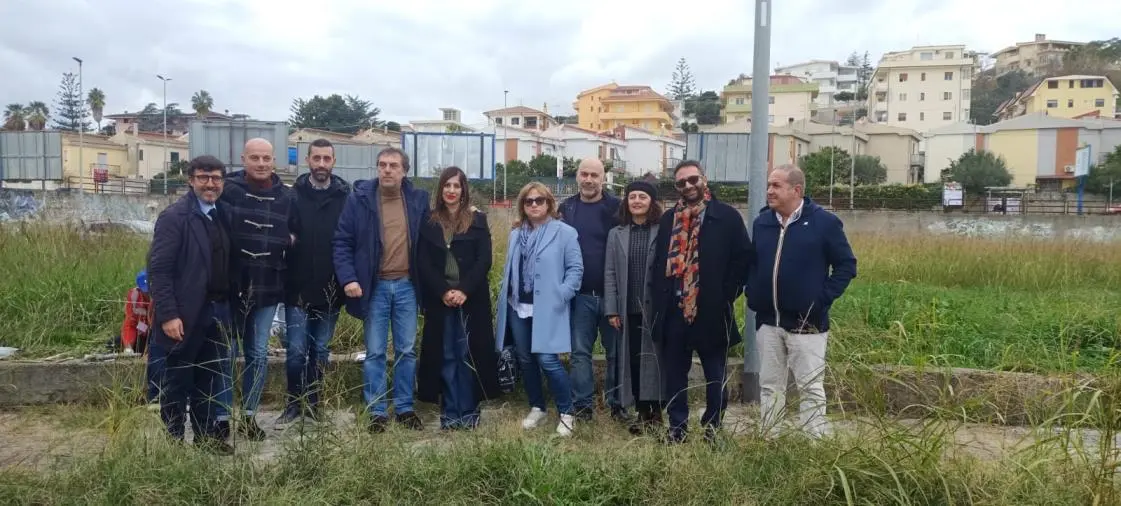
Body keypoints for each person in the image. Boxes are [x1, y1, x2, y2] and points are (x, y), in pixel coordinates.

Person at [747, 164, 857, 439]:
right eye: (769, 185)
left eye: (776, 186)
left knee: (810, 385)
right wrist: (753, 292)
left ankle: (815, 442)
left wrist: (820, 301)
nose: (769, 191)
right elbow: (753, 263)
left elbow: (846, 265)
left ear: (796, 190)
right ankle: (770, 437)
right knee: (770, 384)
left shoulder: (824, 223)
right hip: (768, 321)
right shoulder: (762, 222)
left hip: (808, 323)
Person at [650, 160, 752, 444]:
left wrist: (726, 294)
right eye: (681, 183)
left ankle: (713, 428)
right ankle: (677, 428)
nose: (688, 186)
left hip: (710, 309)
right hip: (674, 309)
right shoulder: (670, 219)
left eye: (692, 179)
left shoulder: (727, 216)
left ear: (704, 179)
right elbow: (660, 261)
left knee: (715, 374)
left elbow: (743, 258)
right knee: (674, 375)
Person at [334, 147, 430, 433]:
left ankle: (404, 408)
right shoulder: (359, 200)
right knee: (375, 351)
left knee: (406, 350)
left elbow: (434, 234)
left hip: (406, 287)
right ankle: (377, 410)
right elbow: (342, 242)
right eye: (382, 165)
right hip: (373, 286)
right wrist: (349, 278)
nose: (387, 170)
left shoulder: (417, 200)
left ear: (404, 171)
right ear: (377, 168)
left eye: (393, 166)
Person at [146, 155, 235, 455]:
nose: (210, 184)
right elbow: (159, 270)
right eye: (203, 177)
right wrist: (169, 315)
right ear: (190, 180)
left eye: (216, 178)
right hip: (185, 315)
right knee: (178, 381)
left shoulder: (221, 214)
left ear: (223, 182)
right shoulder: (175, 218)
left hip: (217, 311)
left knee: (208, 380)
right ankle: (173, 443)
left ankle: (206, 438)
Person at [219, 137, 297, 441]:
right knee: (227, 353)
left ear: (274, 161)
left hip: (268, 286)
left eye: (266, 158)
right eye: (255, 158)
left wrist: (289, 241)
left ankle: (249, 417)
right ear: (243, 159)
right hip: (230, 287)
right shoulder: (226, 191)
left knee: (257, 354)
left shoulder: (286, 198)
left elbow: (296, 233)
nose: (261, 164)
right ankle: (221, 416)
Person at [415, 166, 502, 430]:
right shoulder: (429, 221)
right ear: (440, 189)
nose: (452, 191)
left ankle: (469, 412)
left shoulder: (478, 220)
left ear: (464, 190)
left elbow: (483, 260)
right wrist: (444, 291)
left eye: (457, 186)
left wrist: (463, 290)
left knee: (468, 354)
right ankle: (450, 413)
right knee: (447, 355)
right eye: (447, 185)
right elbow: (424, 263)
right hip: (441, 301)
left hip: (471, 300)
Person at [495, 182, 583, 437]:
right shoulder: (515, 234)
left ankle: (567, 412)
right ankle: (538, 407)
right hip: (517, 306)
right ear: (523, 205)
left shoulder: (564, 232)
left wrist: (562, 295)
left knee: (548, 360)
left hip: (548, 307)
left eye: (539, 200)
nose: (534, 204)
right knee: (525, 359)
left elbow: (575, 269)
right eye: (528, 201)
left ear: (549, 203)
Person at [277, 138, 351, 427]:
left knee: (320, 350)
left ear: (333, 162)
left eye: (327, 159)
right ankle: (293, 403)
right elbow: (280, 231)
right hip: (296, 288)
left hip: (331, 288)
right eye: (316, 158)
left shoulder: (346, 197)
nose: (321, 164)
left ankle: (314, 403)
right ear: (307, 160)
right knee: (296, 351)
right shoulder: (292, 196)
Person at [558, 158, 624, 422]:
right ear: (577, 177)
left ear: (603, 178)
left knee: (615, 353)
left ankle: (617, 403)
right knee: (580, 354)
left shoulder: (617, 208)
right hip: (580, 296)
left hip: (612, 295)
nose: (588, 180)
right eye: (584, 174)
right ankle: (583, 406)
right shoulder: (567, 208)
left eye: (594, 175)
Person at [604, 181, 665, 436]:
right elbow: (609, 273)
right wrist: (612, 309)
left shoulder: (662, 231)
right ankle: (641, 412)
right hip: (628, 309)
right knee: (634, 362)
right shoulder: (616, 233)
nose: (637, 201)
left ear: (652, 202)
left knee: (656, 362)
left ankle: (657, 414)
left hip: (656, 309)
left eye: (642, 196)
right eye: (632, 197)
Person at [122, 270, 152, 355]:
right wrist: (128, 347)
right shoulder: (134, 298)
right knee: (112, 344)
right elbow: (130, 324)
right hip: (142, 331)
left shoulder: (164, 296)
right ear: (139, 289)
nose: (149, 293)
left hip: (159, 335)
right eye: (146, 291)